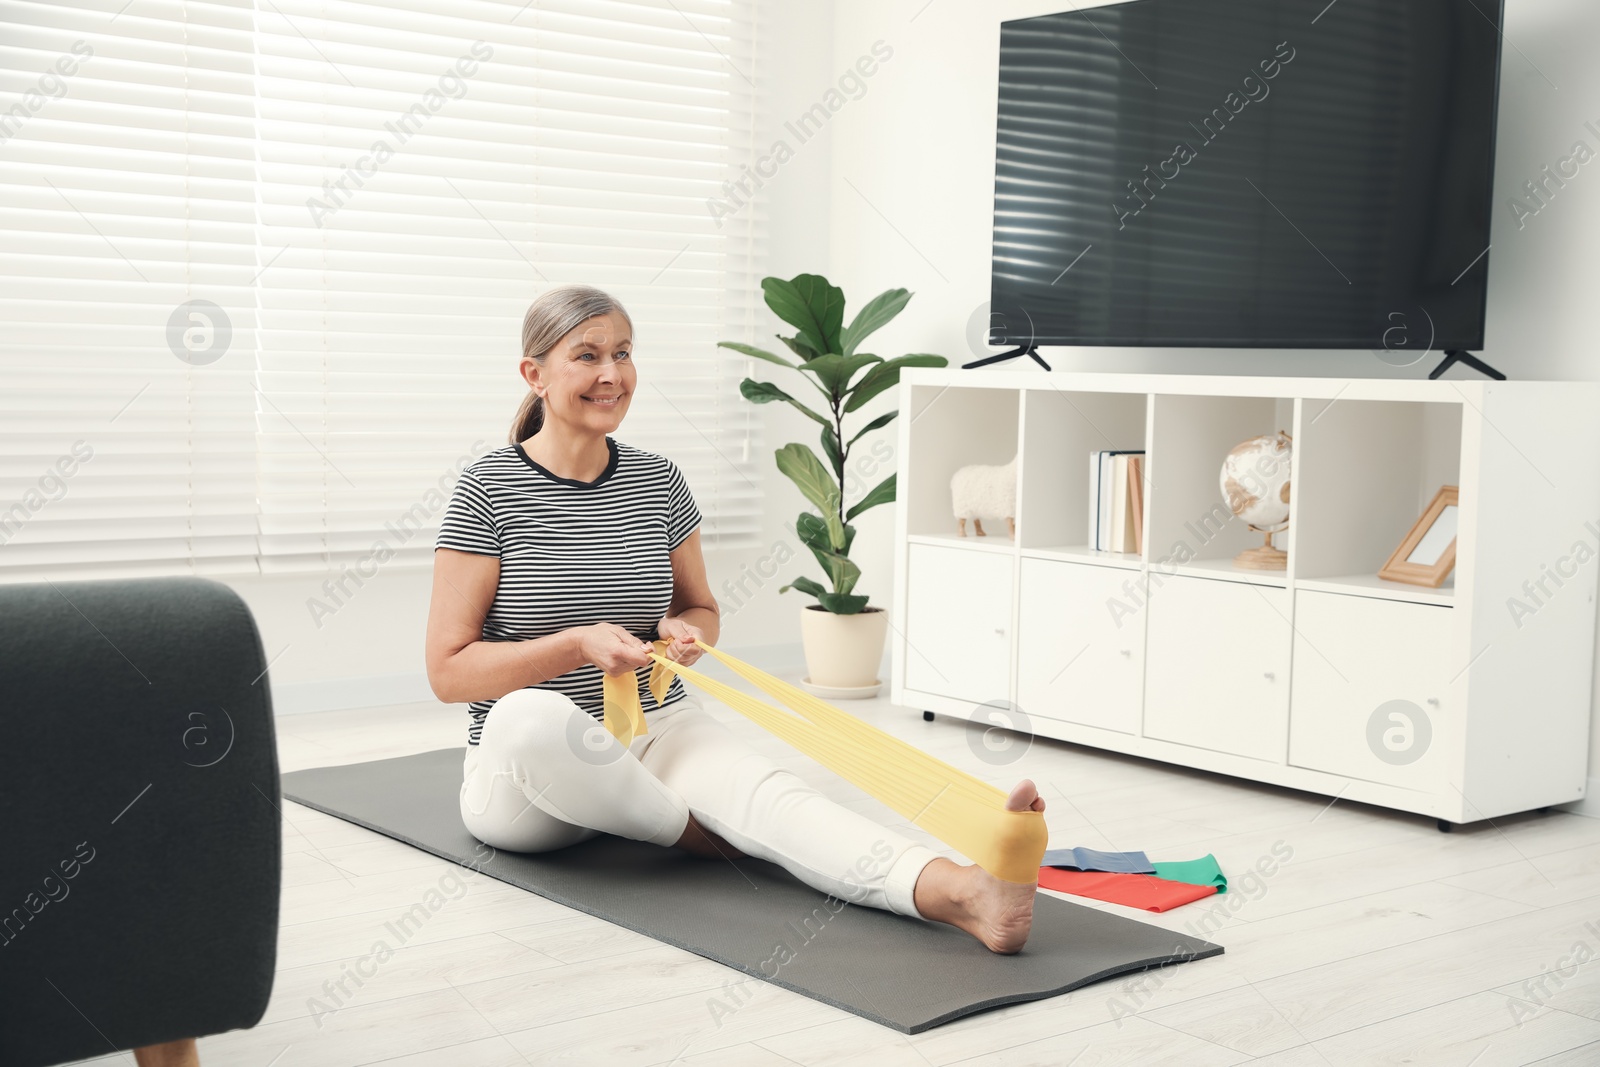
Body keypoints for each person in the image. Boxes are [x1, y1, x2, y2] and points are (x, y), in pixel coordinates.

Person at [424, 284, 1046, 953]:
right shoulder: (488, 488)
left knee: (775, 794)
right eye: (587, 355)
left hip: (653, 724)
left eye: (624, 353)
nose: (612, 374)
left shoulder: (656, 480)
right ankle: (698, 833)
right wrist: (576, 644)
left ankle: (966, 893)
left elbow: (700, 608)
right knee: (526, 718)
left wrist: (688, 634)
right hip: (529, 782)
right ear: (535, 374)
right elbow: (449, 671)